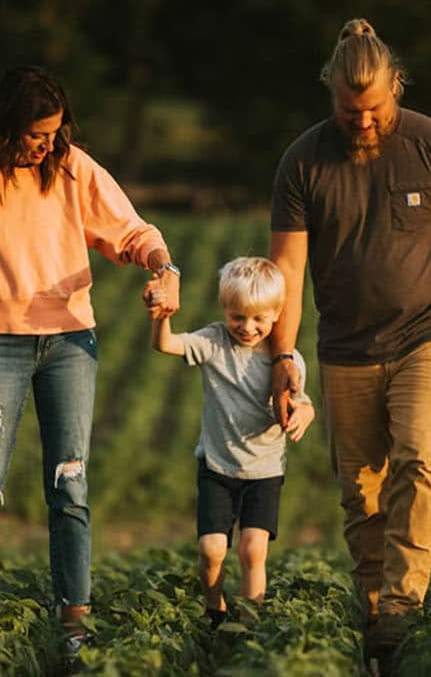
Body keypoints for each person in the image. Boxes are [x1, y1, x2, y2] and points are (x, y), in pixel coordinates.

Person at [268, 18, 431, 661]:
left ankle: (404, 604)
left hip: (426, 337)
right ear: (331, 95)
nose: (363, 121)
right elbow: (288, 270)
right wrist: (284, 357)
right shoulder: (303, 161)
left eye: (374, 108)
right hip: (345, 347)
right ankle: (375, 606)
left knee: (420, 459)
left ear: (395, 88)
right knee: (362, 489)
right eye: (350, 110)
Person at [0, 66, 182, 655]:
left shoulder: (71, 168)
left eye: (55, 134)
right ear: (7, 124)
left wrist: (165, 269)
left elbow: (133, 231)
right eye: (37, 135)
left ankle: (74, 627)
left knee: (70, 485)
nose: (47, 145)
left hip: (69, 344)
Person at [147, 257, 316, 626]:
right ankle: (215, 612)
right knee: (211, 550)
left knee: (253, 550)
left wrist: (304, 414)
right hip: (217, 467)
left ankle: (249, 624)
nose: (248, 327)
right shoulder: (213, 342)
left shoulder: (286, 360)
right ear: (225, 309)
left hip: (265, 471)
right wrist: (161, 315)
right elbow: (167, 345)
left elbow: (302, 402)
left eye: (259, 319)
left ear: (277, 315)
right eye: (237, 317)